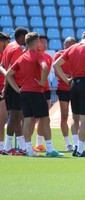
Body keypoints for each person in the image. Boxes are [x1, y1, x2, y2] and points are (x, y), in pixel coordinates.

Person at [6, 32, 63, 157]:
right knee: (44, 119)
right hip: (36, 92)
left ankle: (28, 149)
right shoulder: (38, 55)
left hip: (24, 92)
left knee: (27, 119)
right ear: (36, 42)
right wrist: (43, 81)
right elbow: (44, 67)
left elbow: (8, 74)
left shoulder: (22, 57)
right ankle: (49, 149)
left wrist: (17, 88)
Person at [54, 30, 85, 157]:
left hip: (74, 83)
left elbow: (56, 65)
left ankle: (76, 146)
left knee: (75, 118)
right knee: (84, 119)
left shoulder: (71, 48)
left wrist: (67, 80)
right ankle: (80, 149)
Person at [1, 27, 28, 155]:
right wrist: (12, 87)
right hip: (15, 86)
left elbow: (2, 66)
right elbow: (12, 71)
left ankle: (21, 146)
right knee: (15, 116)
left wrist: (5, 87)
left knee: (16, 116)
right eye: (26, 38)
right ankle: (7, 146)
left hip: (10, 86)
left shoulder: (9, 47)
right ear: (22, 37)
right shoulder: (17, 49)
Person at [54, 37, 77, 152]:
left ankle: (76, 142)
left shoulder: (76, 55)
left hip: (75, 88)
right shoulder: (59, 55)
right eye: (67, 44)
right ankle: (68, 143)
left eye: (72, 44)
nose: (69, 46)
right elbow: (56, 71)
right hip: (63, 89)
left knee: (76, 116)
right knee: (64, 116)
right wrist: (67, 78)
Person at [33, 35, 53, 152]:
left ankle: (39, 143)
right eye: (42, 42)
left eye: (46, 42)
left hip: (46, 89)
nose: (44, 45)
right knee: (32, 118)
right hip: (35, 90)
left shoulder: (48, 57)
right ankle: (25, 144)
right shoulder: (34, 56)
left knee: (45, 118)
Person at [0, 32, 10, 154]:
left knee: (3, 119)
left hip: (3, 89)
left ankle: (1, 146)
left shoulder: (5, 54)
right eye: (5, 41)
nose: (7, 44)